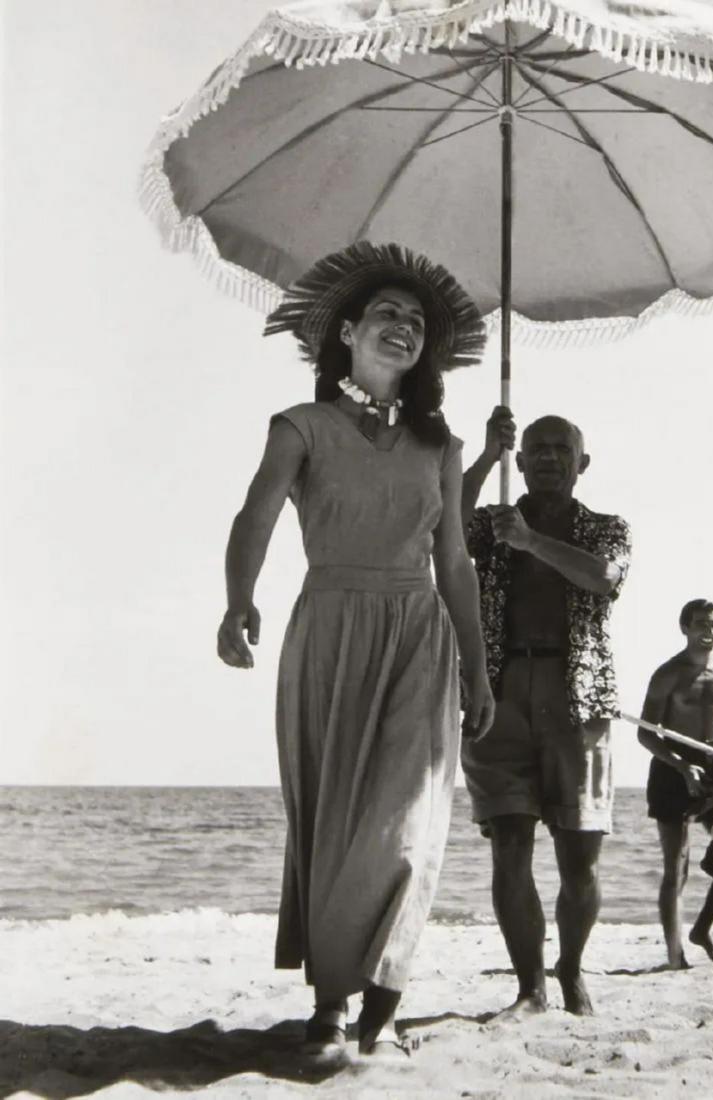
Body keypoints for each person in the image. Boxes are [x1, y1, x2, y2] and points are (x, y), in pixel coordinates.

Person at [216, 242, 495, 1057]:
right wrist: (238, 601)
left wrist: (478, 668)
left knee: (407, 822)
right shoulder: (300, 427)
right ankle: (333, 1000)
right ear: (346, 332)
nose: (403, 326)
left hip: (417, 635)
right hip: (329, 628)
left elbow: (454, 563)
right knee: (335, 820)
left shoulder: (443, 448)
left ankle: (386, 987)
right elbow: (255, 517)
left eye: (415, 320)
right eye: (387, 312)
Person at [459, 407, 632, 1018]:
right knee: (509, 843)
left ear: (582, 463)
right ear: (521, 460)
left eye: (563, 449)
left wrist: (531, 541)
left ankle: (572, 969)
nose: (550, 458)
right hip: (499, 690)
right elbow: (441, 527)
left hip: (577, 696)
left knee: (579, 854)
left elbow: (603, 579)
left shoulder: (608, 527)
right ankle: (529, 985)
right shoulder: (493, 524)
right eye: (537, 449)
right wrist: (484, 456)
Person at [639, 599, 713, 969]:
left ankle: (702, 929)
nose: (709, 631)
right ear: (685, 628)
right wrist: (680, 766)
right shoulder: (668, 674)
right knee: (677, 865)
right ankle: (675, 955)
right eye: (702, 624)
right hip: (673, 765)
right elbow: (646, 734)